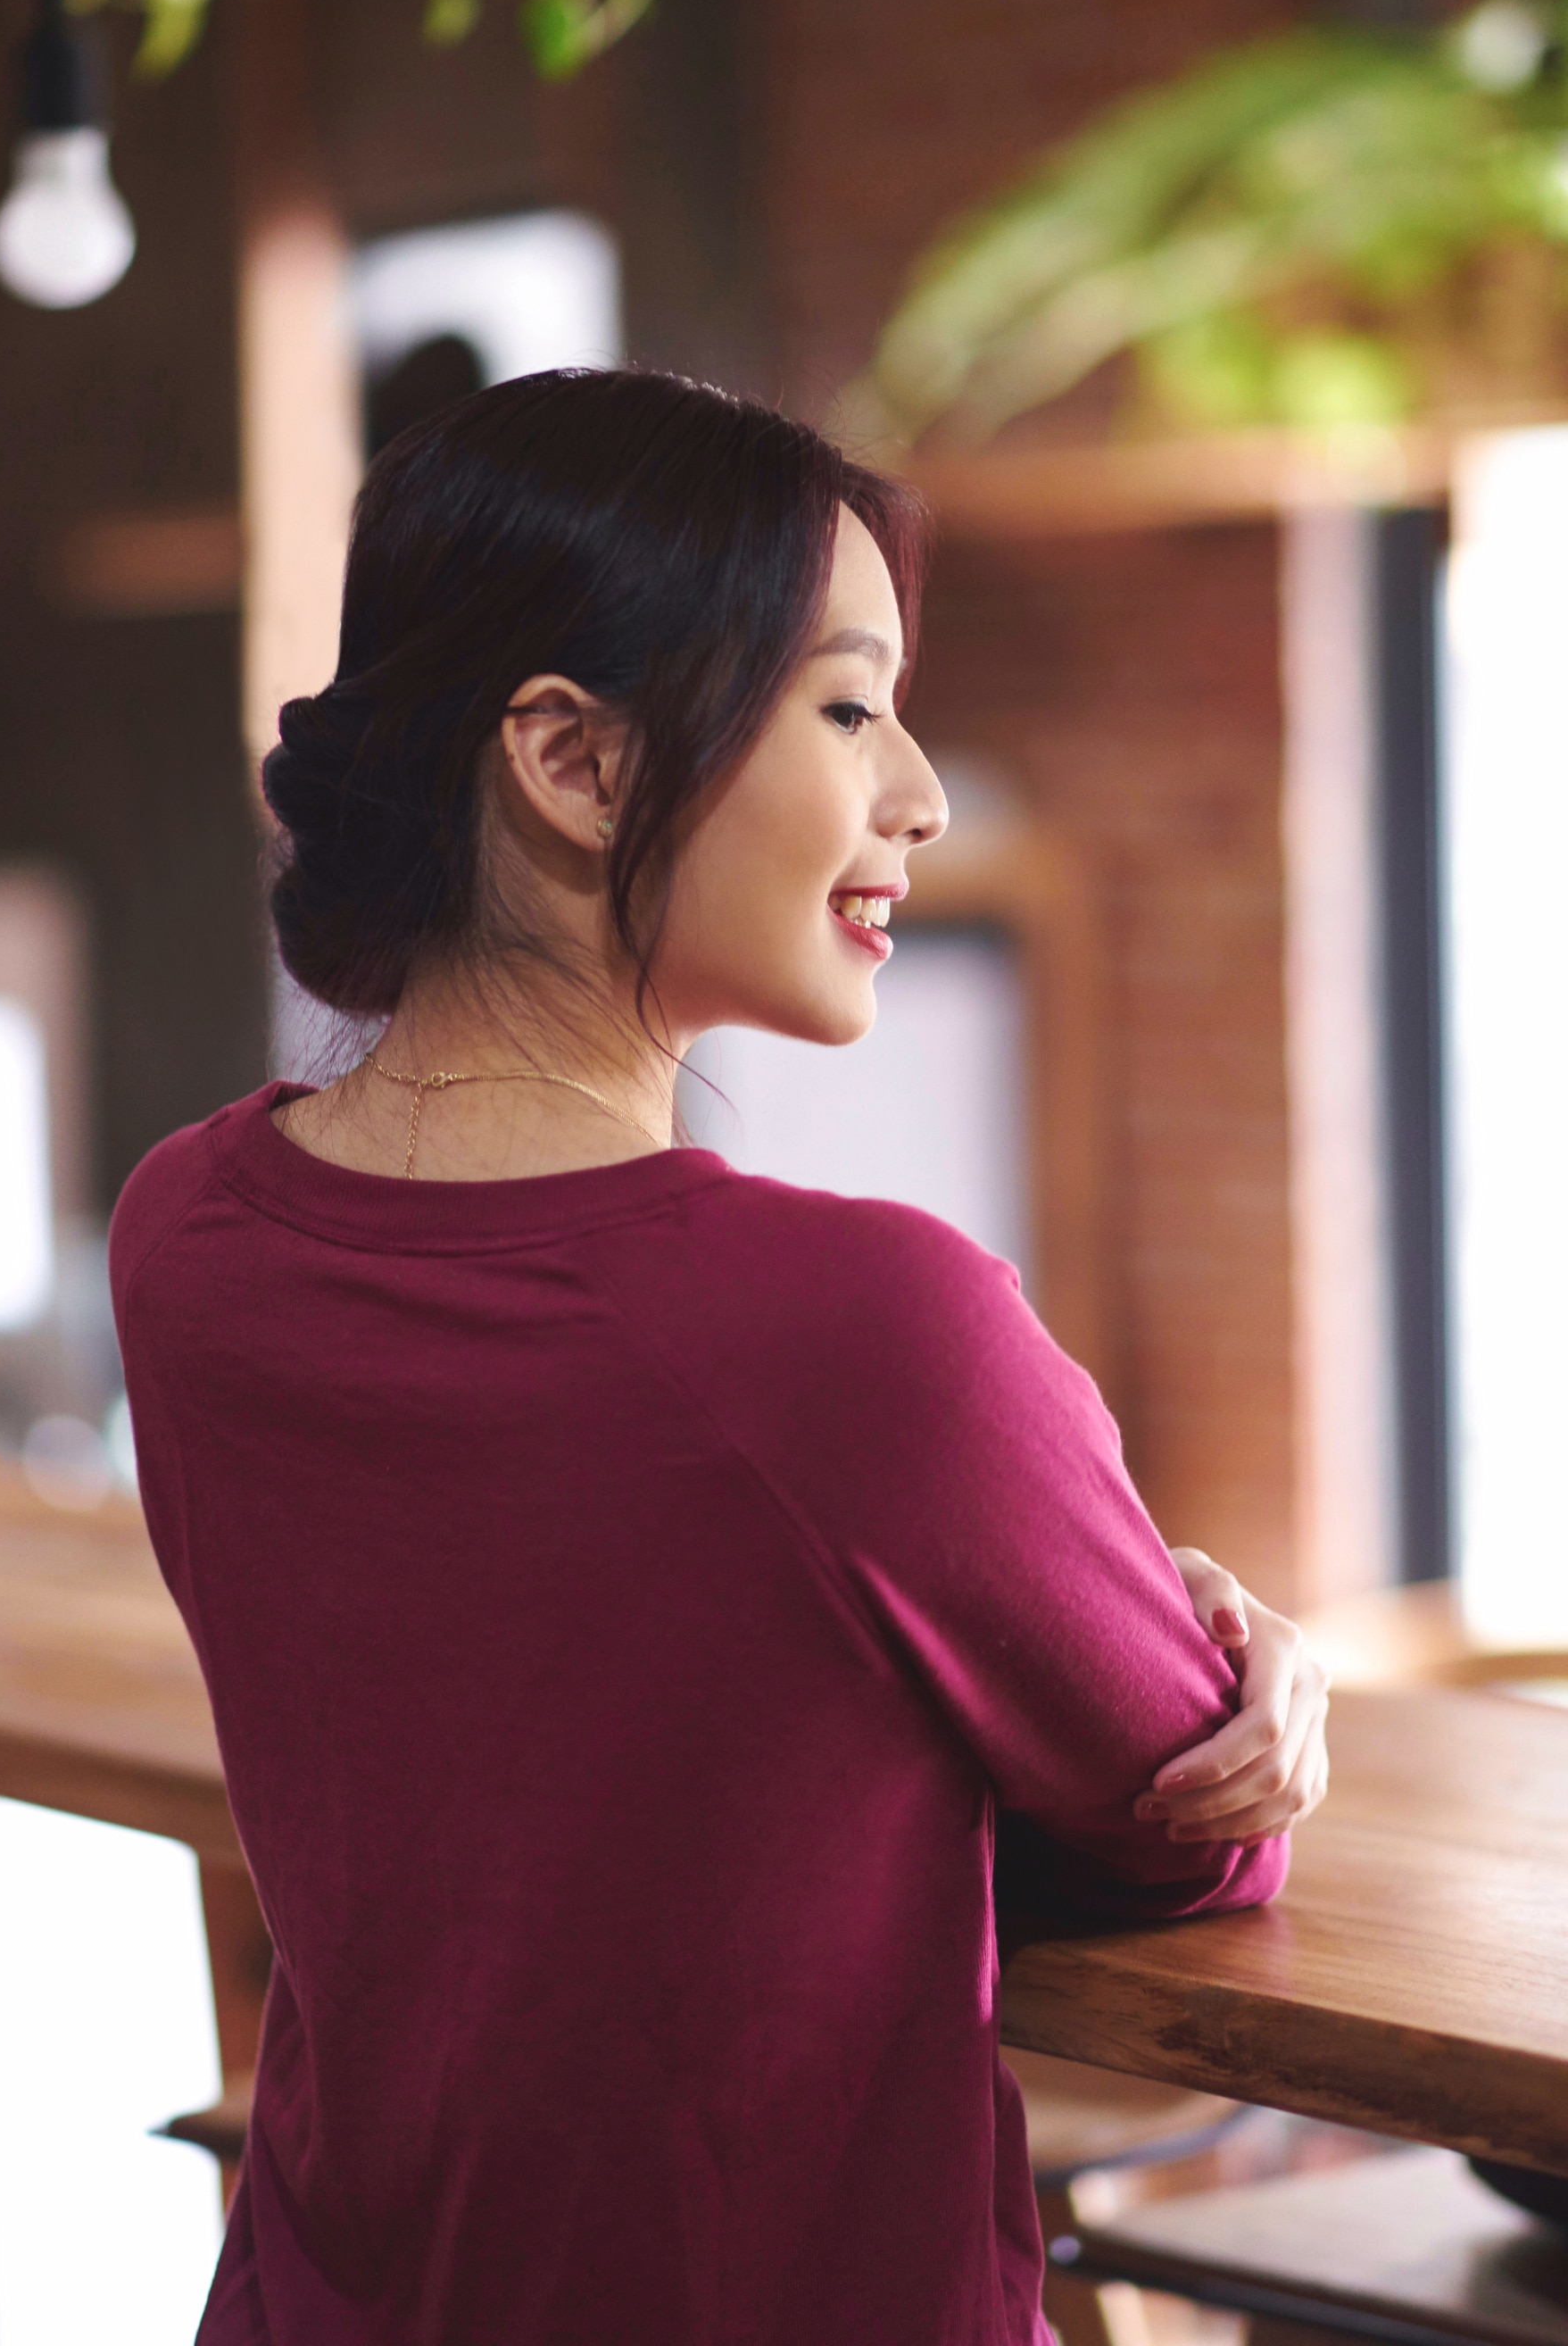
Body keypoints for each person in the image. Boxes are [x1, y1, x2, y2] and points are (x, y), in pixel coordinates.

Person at [112, 368, 1329, 2346]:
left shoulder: (185, 1240)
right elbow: (1191, 1826)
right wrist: (1252, 1661)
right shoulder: (872, 1336)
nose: (920, 792)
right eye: (849, 708)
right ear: (574, 763)